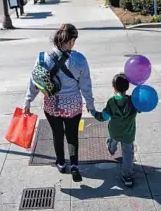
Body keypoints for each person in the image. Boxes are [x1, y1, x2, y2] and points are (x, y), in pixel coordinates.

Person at [24, 23, 95, 182]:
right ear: (70, 41)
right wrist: (90, 104)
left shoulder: (43, 58)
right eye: (74, 40)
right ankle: (74, 164)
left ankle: (61, 163)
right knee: (72, 135)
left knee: (57, 133)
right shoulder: (80, 59)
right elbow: (86, 85)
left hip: (52, 105)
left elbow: (35, 82)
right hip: (72, 106)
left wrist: (27, 102)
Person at [90, 73, 140, 188]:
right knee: (127, 155)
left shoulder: (112, 102)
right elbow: (142, 108)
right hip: (128, 133)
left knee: (113, 138)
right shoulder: (134, 101)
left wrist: (93, 112)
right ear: (127, 87)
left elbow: (104, 117)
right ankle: (127, 177)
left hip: (114, 131)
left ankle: (111, 148)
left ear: (114, 87)